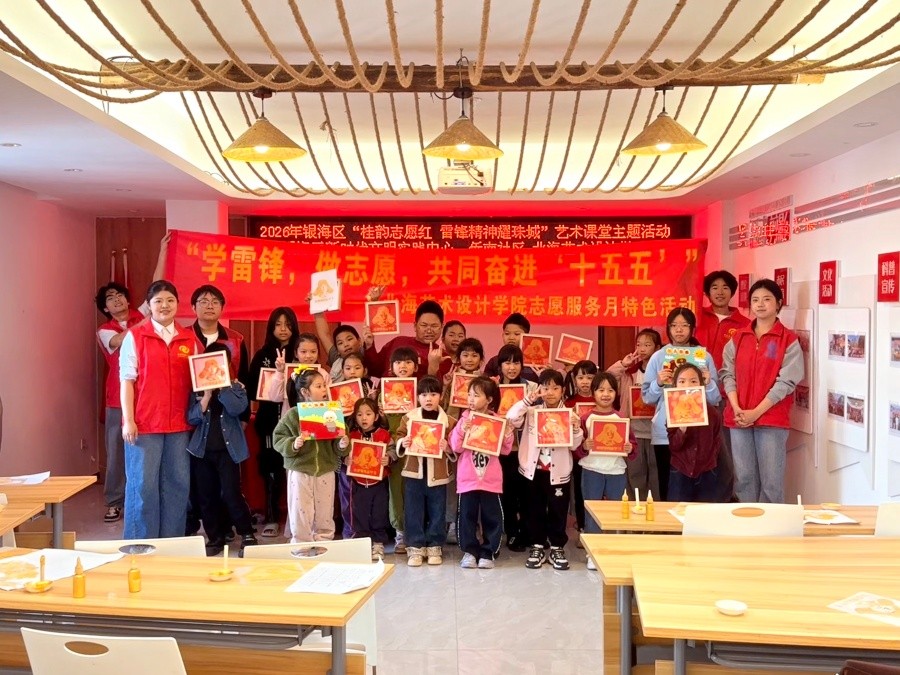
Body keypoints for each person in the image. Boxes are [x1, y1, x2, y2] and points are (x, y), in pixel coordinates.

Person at [95, 232, 170, 523]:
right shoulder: (106, 330)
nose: (117, 301)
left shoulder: (142, 317)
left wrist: (162, 251)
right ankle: (114, 501)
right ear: (105, 308)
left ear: (129, 300)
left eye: (120, 296)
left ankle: (142, 500)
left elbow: (156, 284)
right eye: (110, 299)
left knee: (144, 454)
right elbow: (121, 341)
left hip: (146, 399)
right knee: (117, 453)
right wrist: (149, 319)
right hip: (118, 401)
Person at [119, 280, 201, 539]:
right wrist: (128, 420)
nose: (164, 306)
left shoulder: (189, 338)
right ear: (149, 305)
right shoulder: (135, 336)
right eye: (158, 301)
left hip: (179, 425)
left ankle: (171, 544)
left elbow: (200, 378)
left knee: (178, 485)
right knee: (143, 486)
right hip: (144, 425)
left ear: (177, 304)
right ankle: (140, 546)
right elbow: (127, 381)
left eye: (170, 300)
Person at [720, 279, 804, 504]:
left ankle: (772, 525)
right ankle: (747, 523)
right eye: (755, 300)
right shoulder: (738, 337)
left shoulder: (788, 340)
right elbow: (727, 373)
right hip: (738, 417)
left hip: (771, 420)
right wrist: (736, 408)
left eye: (767, 299)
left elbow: (786, 382)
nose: (760, 304)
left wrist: (756, 412)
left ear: (779, 304)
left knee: (771, 483)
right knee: (744, 479)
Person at [186, 284, 251, 537]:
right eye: (203, 301)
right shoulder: (184, 337)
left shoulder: (236, 339)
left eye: (215, 301)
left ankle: (231, 529)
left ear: (222, 307)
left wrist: (243, 418)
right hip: (194, 415)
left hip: (227, 417)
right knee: (200, 484)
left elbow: (244, 378)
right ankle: (207, 529)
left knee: (229, 486)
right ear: (193, 307)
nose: (209, 305)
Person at [507, 368, 584, 571]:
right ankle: (537, 546)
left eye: (555, 388)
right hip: (533, 471)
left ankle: (557, 547)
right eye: (546, 388)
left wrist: (576, 427)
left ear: (563, 391)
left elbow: (575, 445)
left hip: (558, 473)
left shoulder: (569, 414)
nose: (550, 392)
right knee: (534, 509)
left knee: (558, 510)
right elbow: (511, 417)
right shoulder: (532, 412)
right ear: (539, 389)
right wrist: (527, 400)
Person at [641, 308, 721, 501]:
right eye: (674, 326)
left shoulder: (704, 357)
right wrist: (658, 383)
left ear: (692, 329)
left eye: (684, 325)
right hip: (665, 433)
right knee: (668, 488)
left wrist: (708, 383)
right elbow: (647, 398)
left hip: (699, 434)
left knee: (698, 493)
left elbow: (714, 400)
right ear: (668, 328)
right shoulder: (659, 356)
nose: (679, 330)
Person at [186, 343, 258, 556]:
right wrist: (207, 395)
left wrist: (223, 386)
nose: (214, 367)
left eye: (220, 362)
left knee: (231, 493)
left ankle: (246, 533)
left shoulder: (236, 387)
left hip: (229, 451)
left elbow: (237, 408)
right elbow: (192, 417)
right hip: (202, 451)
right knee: (206, 496)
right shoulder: (197, 389)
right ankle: (215, 537)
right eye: (210, 362)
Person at [272, 368, 349, 543]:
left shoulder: (331, 412)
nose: (324, 389)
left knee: (325, 511)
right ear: (305, 392)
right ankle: (301, 544)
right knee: (300, 510)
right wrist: (293, 443)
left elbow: (339, 441)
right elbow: (278, 438)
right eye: (318, 386)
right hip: (300, 471)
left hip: (325, 469)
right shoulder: (293, 414)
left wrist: (343, 444)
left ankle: (324, 542)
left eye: (324, 385)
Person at [449, 376, 514, 569]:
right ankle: (469, 551)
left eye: (476, 396)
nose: (471, 399)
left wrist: (508, 433)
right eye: (469, 395)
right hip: (467, 479)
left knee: (492, 516)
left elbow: (505, 450)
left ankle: (488, 552)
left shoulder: (497, 421)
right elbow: (455, 447)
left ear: (489, 399)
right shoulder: (464, 420)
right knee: (466, 516)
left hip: (490, 479)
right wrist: (462, 430)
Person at [696, 270, 750, 501]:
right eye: (714, 287)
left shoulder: (745, 324)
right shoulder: (696, 318)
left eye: (725, 287)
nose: (720, 292)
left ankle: (728, 498)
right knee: (699, 449)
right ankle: (700, 497)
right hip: (695, 397)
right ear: (707, 292)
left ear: (733, 292)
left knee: (727, 451)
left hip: (728, 397)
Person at [248, 307, 300, 538]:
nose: (283, 329)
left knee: (296, 469)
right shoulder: (263, 354)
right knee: (271, 467)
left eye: (288, 324)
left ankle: (295, 518)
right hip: (269, 420)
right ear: (271, 327)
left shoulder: (301, 353)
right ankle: (271, 516)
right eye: (278, 324)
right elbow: (252, 387)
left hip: (296, 421)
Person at [395, 375, 455, 567]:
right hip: (414, 472)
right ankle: (415, 546)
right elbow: (398, 436)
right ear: (418, 397)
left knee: (438, 509)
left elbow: (455, 446)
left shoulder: (449, 422)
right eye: (424, 395)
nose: (429, 399)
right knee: (413, 510)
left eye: (433, 394)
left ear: (441, 397)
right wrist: (402, 442)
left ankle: (435, 545)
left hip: (438, 474)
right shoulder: (409, 418)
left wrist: (448, 448)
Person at [577, 372, 635, 568]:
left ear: (616, 393)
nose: (605, 394)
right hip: (591, 469)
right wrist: (584, 446)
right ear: (593, 393)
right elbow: (576, 446)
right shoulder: (586, 418)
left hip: (616, 471)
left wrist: (629, 448)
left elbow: (632, 444)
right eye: (601, 390)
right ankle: (594, 553)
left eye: (610, 390)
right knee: (592, 511)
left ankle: (615, 548)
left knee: (617, 511)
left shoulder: (621, 418)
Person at [607, 329, 663, 499]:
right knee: (634, 474)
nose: (642, 349)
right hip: (634, 432)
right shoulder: (630, 373)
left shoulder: (663, 373)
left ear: (658, 348)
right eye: (639, 345)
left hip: (656, 431)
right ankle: (635, 509)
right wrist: (623, 364)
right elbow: (607, 379)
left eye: (647, 345)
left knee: (656, 474)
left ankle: (657, 510)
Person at [439, 336, 484, 544]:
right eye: (465, 355)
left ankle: (474, 524)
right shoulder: (452, 379)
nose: (469, 359)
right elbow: (442, 408)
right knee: (452, 483)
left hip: (479, 440)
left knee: (476, 483)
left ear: (481, 359)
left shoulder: (485, 382)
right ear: (458, 358)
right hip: (454, 436)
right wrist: (446, 386)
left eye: (474, 355)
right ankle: (451, 523)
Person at [493, 344, 538, 552]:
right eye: (507, 363)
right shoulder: (492, 386)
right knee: (508, 493)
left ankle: (528, 531)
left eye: (516, 363)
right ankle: (511, 532)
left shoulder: (531, 387)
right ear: (500, 365)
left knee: (528, 492)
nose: (511, 367)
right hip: (502, 448)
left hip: (526, 447)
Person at [379, 346, 420, 554]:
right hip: (394, 448)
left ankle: (416, 531)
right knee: (396, 491)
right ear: (391, 367)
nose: (403, 366)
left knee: (415, 490)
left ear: (416, 366)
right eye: (398, 362)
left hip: (416, 447)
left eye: (408, 362)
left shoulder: (420, 390)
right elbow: (380, 425)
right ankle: (400, 533)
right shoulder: (383, 391)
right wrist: (381, 414)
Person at [346, 397, 395, 560]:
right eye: (359, 414)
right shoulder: (351, 436)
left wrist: (389, 457)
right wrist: (346, 459)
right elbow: (342, 453)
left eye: (368, 414)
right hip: (358, 483)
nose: (364, 418)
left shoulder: (384, 435)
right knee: (359, 512)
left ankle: (378, 543)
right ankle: (362, 543)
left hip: (379, 482)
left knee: (379, 513)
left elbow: (394, 450)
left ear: (376, 416)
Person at [666, 363, 723, 503]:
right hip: (681, 470)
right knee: (678, 509)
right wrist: (682, 430)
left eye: (693, 381)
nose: (687, 386)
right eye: (682, 381)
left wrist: (710, 462)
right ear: (675, 385)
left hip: (706, 471)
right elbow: (673, 446)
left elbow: (717, 440)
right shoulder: (673, 412)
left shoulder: (712, 412)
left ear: (701, 384)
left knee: (705, 510)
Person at [363, 300, 445, 378]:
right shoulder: (398, 342)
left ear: (442, 327)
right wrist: (369, 345)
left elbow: (441, 387)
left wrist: (433, 367)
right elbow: (374, 369)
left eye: (434, 326)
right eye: (424, 325)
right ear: (415, 326)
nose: (429, 330)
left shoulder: (444, 357)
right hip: (386, 388)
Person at [563, 360, 598, 537]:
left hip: (598, 454)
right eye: (581, 377)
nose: (585, 382)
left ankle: (597, 527)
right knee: (579, 490)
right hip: (578, 454)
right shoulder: (569, 403)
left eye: (590, 377)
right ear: (574, 379)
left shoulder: (601, 399)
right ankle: (582, 526)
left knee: (597, 491)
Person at [483, 313, 538, 381]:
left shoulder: (536, 363)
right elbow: (484, 384)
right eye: (507, 334)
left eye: (517, 334)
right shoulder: (494, 362)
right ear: (502, 335)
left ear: (526, 336)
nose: (511, 338)